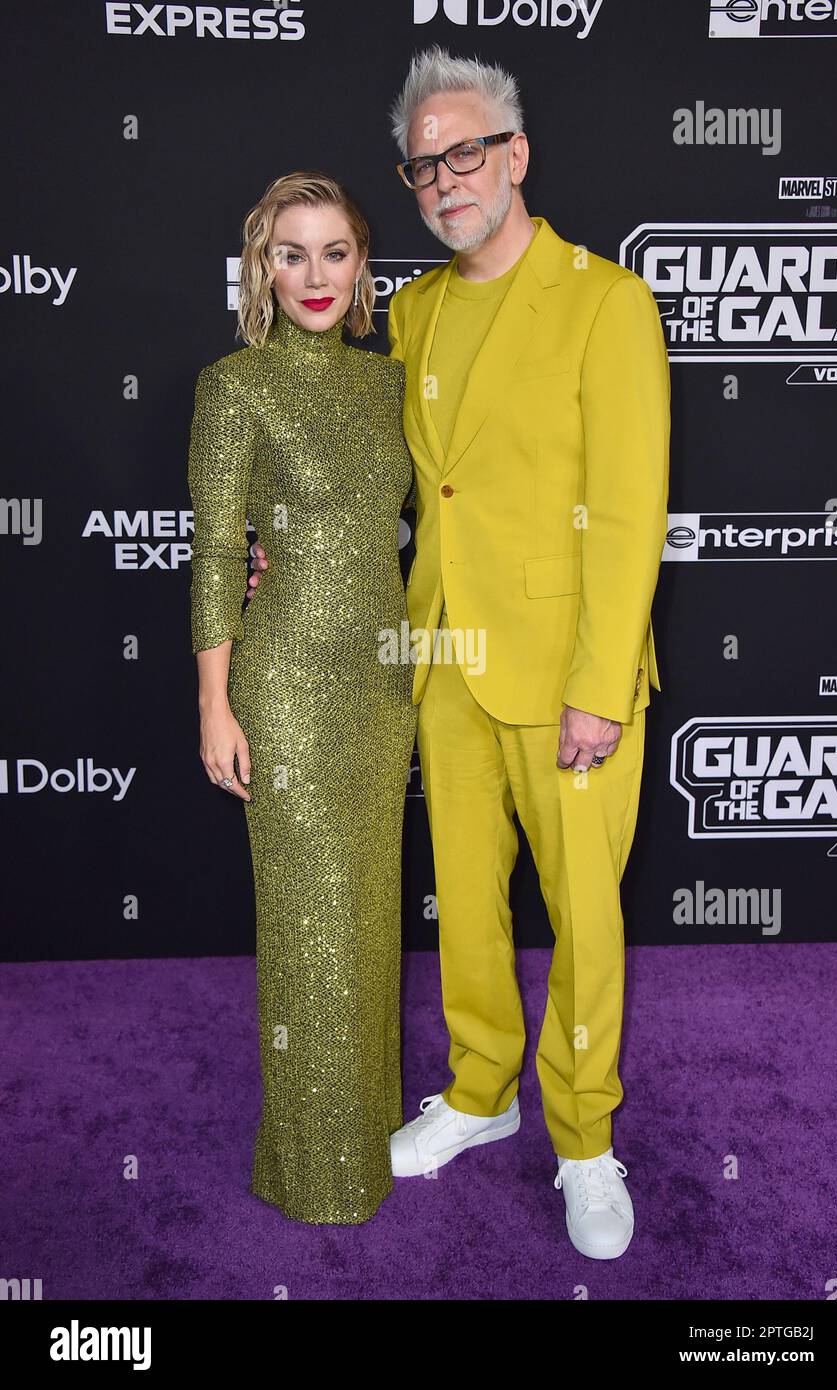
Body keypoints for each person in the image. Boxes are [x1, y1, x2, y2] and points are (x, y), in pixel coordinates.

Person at [249, 46, 671, 1260]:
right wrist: (281, 555)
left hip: (567, 671)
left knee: (584, 912)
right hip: (436, 655)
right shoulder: (417, 310)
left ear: (516, 154)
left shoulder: (606, 300)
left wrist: (602, 685)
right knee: (467, 909)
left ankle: (585, 1136)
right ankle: (482, 1093)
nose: (445, 177)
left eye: (466, 151)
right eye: (424, 162)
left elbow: (632, 512)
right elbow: (379, 483)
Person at [187, 172, 416, 1224]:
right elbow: (215, 552)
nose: (314, 275)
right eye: (292, 253)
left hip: (382, 688)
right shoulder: (235, 385)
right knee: (310, 920)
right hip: (282, 690)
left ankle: (367, 1130)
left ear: (363, 266)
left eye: (335, 252)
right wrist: (214, 705)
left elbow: (419, 517)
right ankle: (315, 1170)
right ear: (260, 268)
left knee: (366, 920)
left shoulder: (388, 384)